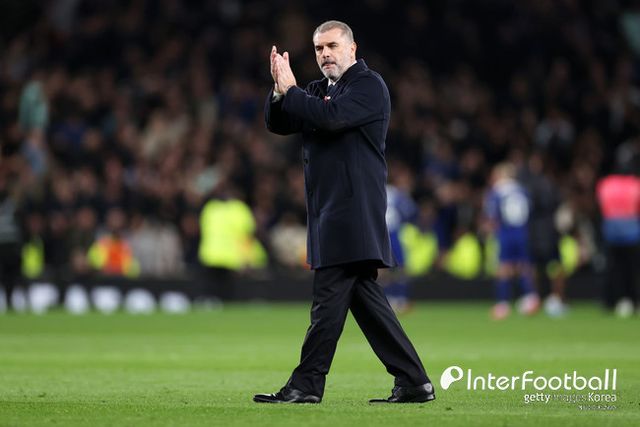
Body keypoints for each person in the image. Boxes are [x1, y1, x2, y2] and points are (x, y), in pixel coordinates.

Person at [254, 20, 434, 404]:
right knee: (367, 304)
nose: (325, 54)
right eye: (319, 49)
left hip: (352, 214)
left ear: (352, 48)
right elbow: (280, 122)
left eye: (332, 46)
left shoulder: (368, 86)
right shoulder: (320, 90)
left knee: (327, 304)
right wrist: (280, 90)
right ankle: (414, 382)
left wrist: (293, 92)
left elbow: (330, 117)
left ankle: (306, 385)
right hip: (329, 212)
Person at [484, 163, 540, 320]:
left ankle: (502, 304)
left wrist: (490, 231)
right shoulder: (522, 190)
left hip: (506, 232)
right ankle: (531, 298)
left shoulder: (497, 191)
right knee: (524, 265)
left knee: (504, 267)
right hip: (522, 232)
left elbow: (492, 216)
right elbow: (530, 211)